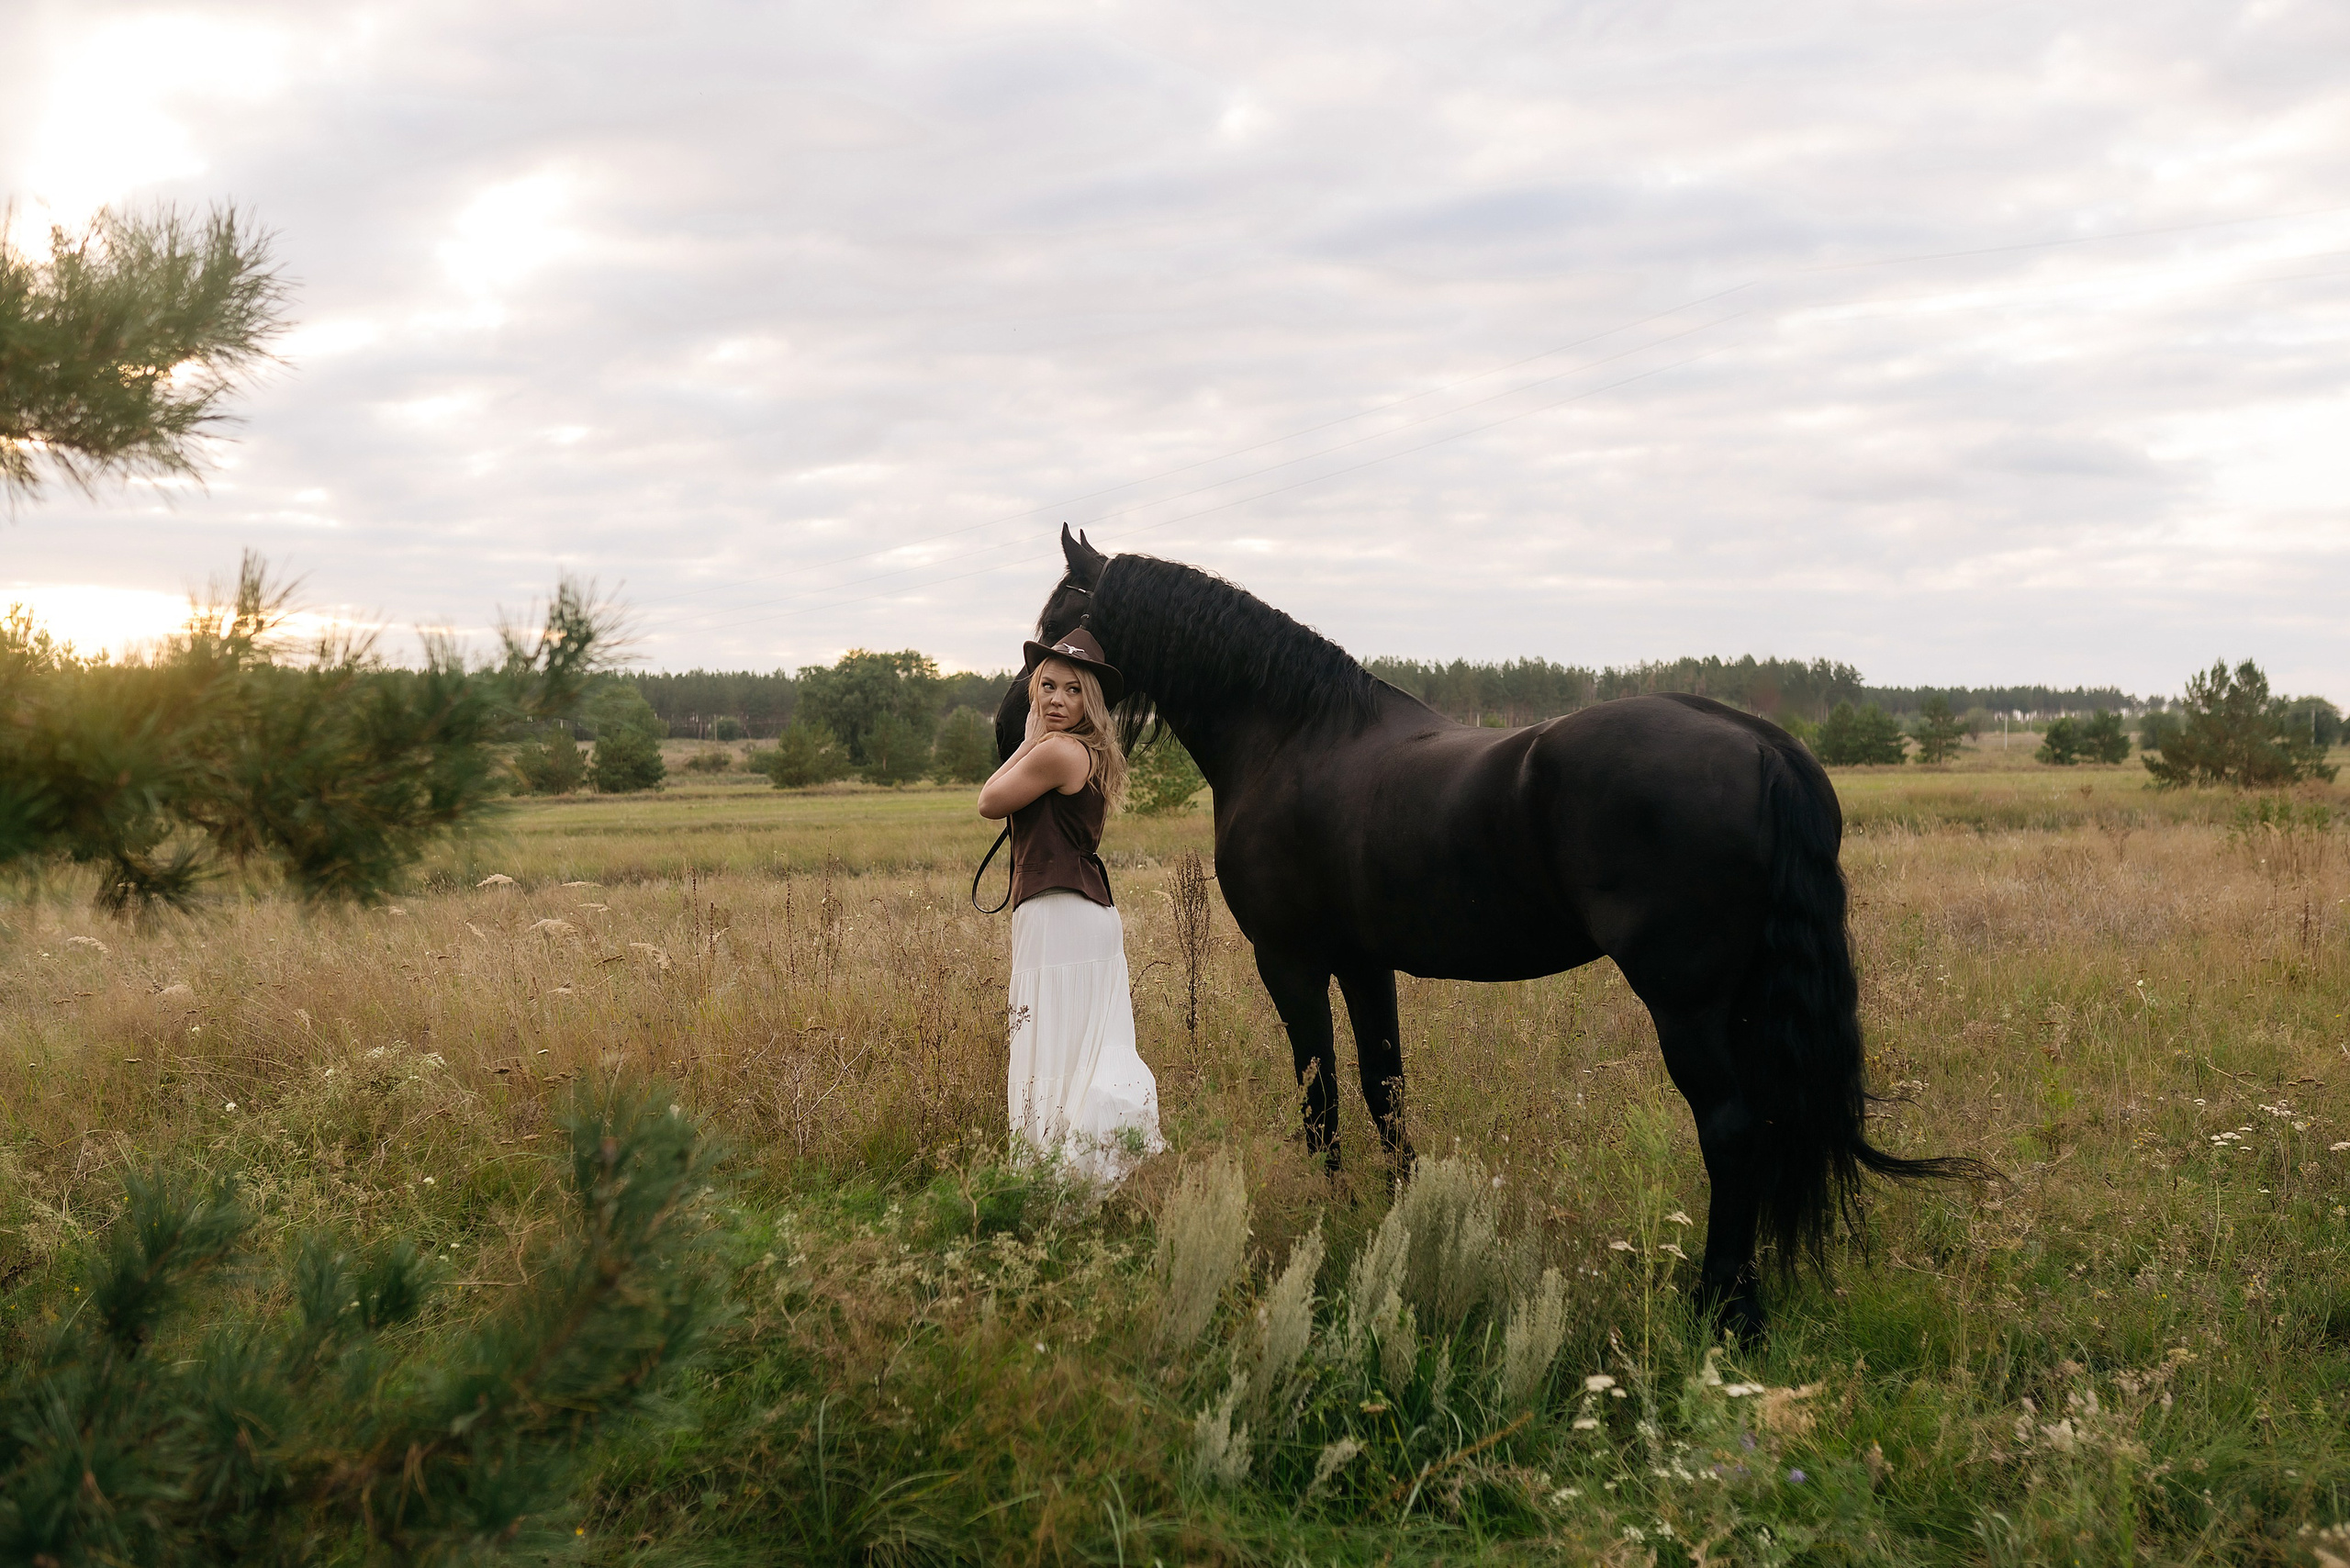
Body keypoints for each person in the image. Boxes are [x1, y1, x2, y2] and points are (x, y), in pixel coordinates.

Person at [977, 626, 1164, 1181]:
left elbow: (989, 801)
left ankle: (1059, 1177)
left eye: (1073, 690)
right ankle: (1094, 1169)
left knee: (1055, 1049)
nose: (1057, 699)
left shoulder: (1058, 751)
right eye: (1048, 686)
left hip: (1059, 913)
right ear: (1034, 690)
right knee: (1083, 1050)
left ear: (1090, 701)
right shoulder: (1087, 750)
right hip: (1078, 911)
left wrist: (1029, 740)